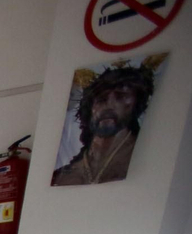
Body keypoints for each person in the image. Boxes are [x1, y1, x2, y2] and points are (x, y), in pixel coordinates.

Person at [51, 59, 160, 187]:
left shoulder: (149, 161)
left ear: (136, 104)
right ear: (89, 108)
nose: (109, 105)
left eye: (121, 96)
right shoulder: (62, 175)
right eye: (101, 99)